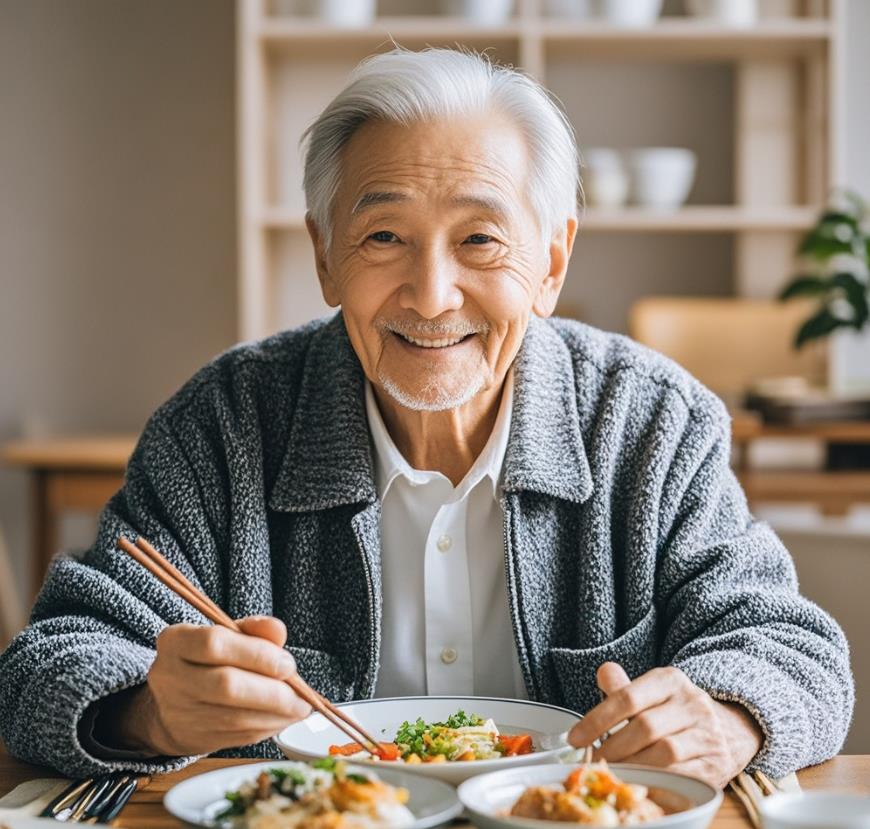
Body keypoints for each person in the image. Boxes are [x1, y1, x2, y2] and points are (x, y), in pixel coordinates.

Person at [0, 48, 853, 787]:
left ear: (551, 262)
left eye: (480, 240)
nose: (432, 296)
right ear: (325, 255)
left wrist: (729, 718)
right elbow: (43, 665)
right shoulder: (222, 425)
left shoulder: (652, 423)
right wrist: (147, 713)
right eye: (382, 238)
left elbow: (793, 649)